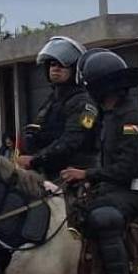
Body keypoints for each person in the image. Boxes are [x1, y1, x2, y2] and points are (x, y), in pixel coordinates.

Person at [62, 49, 138, 274]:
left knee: (104, 218)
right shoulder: (111, 116)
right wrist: (90, 182)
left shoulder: (132, 118)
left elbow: (126, 167)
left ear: (100, 87)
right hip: (116, 188)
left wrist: (87, 174)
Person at [19, 35, 98, 182]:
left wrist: (34, 159)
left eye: (63, 64)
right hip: (49, 172)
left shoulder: (85, 103)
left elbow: (72, 140)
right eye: (52, 63)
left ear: (75, 69)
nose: (56, 68)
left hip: (75, 174)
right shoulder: (51, 101)